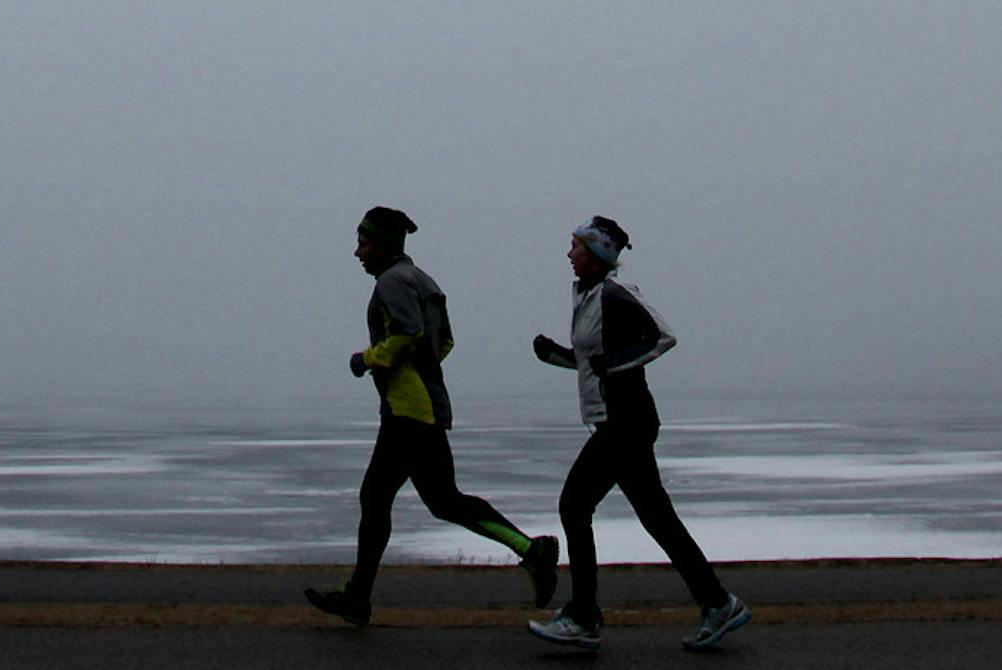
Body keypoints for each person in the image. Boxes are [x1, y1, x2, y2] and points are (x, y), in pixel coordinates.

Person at [304, 206, 558, 625]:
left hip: (409, 411)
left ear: (384, 246)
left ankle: (533, 551)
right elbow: (445, 343)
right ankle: (358, 597)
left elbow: (407, 334)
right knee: (422, 500)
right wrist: (420, 370)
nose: (357, 252)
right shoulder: (423, 280)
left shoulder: (391, 282)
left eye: (363, 244)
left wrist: (366, 359)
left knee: (415, 499)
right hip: (424, 405)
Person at [526, 216, 749, 654]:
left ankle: (584, 616)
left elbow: (662, 338)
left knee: (574, 505)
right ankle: (718, 603)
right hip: (615, 420)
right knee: (656, 517)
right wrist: (556, 355)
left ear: (596, 254)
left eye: (575, 246)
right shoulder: (588, 295)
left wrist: (613, 365)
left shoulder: (615, 293)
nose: (568, 253)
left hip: (626, 422)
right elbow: (595, 361)